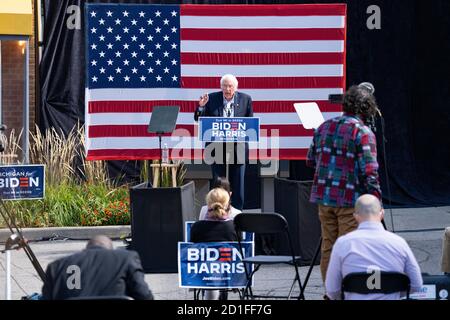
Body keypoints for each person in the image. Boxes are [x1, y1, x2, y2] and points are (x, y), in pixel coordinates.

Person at [306, 84, 382, 282]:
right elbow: (370, 172)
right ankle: (348, 292)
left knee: (329, 247)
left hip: (324, 198)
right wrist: (376, 202)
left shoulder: (324, 127)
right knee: (349, 249)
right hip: (350, 201)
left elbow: (310, 159)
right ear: (366, 108)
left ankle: (331, 293)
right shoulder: (363, 132)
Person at [325, 194, 423, 300]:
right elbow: (417, 285)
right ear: (382, 214)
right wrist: (393, 291)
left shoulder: (342, 244)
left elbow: (332, 290)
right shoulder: (399, 243)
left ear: (355, 216)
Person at [194, 74, 253, 210]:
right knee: (218, 184)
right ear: (221, 87)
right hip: (216, 148)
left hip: (237, 148)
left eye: (230, 86)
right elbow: (199, 120)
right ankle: (217, 212)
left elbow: (249, 125)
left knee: (238, 186)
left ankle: (237, 216)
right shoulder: (212, 99)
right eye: (225, 86)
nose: (227, 89)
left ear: (236, 88)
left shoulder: (246, 99)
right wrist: (201, 107)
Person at [41, 235, 153, 300]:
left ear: (87, 248)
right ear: (110, 249)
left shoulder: (56, 267)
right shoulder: (126, 258)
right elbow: (144, 295)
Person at [190, 188, 238, 300]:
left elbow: (193, 251)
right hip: (228, 273)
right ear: (227, 204)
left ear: (208, 204)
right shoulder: (234, 228)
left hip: (202, 273)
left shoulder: (196, 227)